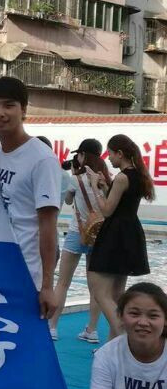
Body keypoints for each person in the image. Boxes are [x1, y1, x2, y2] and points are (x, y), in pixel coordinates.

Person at [0, 76, 60, 319]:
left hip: (27, 276)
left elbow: (48, 225)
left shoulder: (42, 159)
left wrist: (47, 286)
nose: (0, 113)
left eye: (9, 105)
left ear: (23, 110)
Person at [77, 282, 167, 389]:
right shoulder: (106, 356)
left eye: (153, 316)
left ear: (165, 321)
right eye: (134, 313)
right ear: (120, 316)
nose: (143, 322)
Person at [87, 134, 156, 341]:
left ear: (120, 153)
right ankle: (115, 345)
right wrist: (104, 187)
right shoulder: (138, 175)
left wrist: (94, 186)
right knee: (118, 295)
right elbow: (123, 202)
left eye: (110, 154)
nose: (108, 158)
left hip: (115, 234)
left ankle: (126, 335)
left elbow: (107, 210)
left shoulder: (122, 177)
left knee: (100, 291)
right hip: (130, 233)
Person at [51, 139, 108, 343]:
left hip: (77, 232)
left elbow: (68, 200)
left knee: (63, 283)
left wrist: (75, 175)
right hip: (98, 234)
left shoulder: (76, 179)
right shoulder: (106, 178)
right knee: (96, 287)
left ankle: (52, 327)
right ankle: (92, 330)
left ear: (83, 155)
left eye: (79, 155)